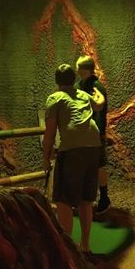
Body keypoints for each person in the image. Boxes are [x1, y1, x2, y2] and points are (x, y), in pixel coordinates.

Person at [43, 64, 105, 254]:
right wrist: (98, 93)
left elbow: (50, 133)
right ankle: (85, 246)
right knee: (86, 200)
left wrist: (46, 159)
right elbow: (99, 105)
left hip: (72, 150)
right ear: (73, 79)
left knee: (64, 201)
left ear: (57, 81)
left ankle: (68, 251)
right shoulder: (83, 95)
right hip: (93, 148)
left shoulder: (54, 98)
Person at [75, 55, 111, 214]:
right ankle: (89, 198)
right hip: (83, 132)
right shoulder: (80, 85)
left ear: (87, 70)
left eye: (81, 69)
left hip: (94, 132)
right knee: (90, 165)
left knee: (98, 165)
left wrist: (98, 133)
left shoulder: (96, 87)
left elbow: (99, 114)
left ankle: (104, 198)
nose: (78, 71)